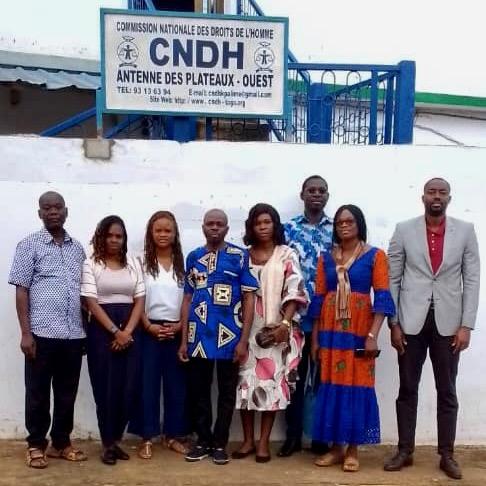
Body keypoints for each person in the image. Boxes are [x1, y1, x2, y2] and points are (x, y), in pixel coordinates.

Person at [384, 178, 480, 480]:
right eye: (431, 192)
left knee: (447, 389)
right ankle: (405, 450)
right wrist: (394, 322)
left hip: (449, 324)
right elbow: (392, 278)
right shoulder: (404, 230)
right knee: (407, 388)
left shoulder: (465, 231)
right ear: (423, 196)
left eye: (442, 192)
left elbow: (472, 280)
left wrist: (466, 325)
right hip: (410, 321)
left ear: (449, 198)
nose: (436, 196)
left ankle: (447, 454)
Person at [310, 205, 395, 472]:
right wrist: (315, 340)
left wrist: (372, 335)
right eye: (339, 222)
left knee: (357, 385)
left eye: (349, 221)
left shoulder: (375, 256)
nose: (344, 225)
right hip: (330, 333)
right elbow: (318, 299)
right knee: (332, 385)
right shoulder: (326, 258)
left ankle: (353, 450)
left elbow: (382, 297)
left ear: (359, 224)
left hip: (358, 332)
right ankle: (336, 448)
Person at [8, 191, 87, 469]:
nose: (53, 212)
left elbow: (84, 292)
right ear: (39, 213)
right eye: (47, 208)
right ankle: (35, 445)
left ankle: (61, 443)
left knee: (67, 393)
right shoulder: (28, 245)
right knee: (38, 393)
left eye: (57, 207)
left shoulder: (78, 248)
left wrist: (85, 330)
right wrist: (25, 333)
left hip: (73, 334)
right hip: (41, 334)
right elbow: (22, 290)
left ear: (66, 211)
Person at [178, 209, 258, 465]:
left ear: (227, 228)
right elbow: (187, 298)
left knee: (226, 392)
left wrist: (243, 340)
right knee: (199, 391)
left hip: (230, 337)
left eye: (219, 224)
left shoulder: (239, 256)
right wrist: (183, 340)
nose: (214, 227)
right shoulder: (193, 257)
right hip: (198, 336)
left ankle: (220, 443)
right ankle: (203, 441)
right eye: (210, 223)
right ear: (203, 227)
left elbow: (249, 298)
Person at [234, 204, 308, 463]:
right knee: (244, 385)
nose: (263, 227)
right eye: (258, 223)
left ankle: (264, 442)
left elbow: (295, 290)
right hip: (246, 328)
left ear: (275, 225)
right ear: (251, 227)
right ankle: (247, 441)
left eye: (267, 222)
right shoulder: (242, 257)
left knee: (271, 384)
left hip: (275, 329)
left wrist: (284, 325)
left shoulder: (286, 254)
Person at [81, 215, 145, 465]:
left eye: (119, 236)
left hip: (131, 329)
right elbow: (91, 302)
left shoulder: (133, 263)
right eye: (109, 236)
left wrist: (127, 331)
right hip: (101, 332)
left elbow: (140, 299)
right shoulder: (91, 264)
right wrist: (114, 331)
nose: (114, 240)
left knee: (128, 388)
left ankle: (116, 439)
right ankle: (107, 443)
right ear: (101, 237)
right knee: (105, 389)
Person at [128, 211, 189, 459]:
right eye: (158, 230)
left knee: (177, 386)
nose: (163, 234)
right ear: (150, 233)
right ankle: (147, 436)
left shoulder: (183, 264)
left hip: (177, 330)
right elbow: (136, 297)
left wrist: (180, 326)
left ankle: (173, 435)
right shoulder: (140, 263)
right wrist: (147, 325)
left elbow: (189, 299)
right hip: (148, 330)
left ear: (175, 234)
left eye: (168, 230)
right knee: (147, 385)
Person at [281, 175, 333, 457]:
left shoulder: (338, 229)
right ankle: (292, 436)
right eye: (311, 190)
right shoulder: (287, 229)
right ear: (302, 195)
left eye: (321, 191)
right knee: (294, 378)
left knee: (324, 379)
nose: (316, 194)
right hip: (295, 316)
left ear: (327, 196)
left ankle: (320, 438)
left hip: (329, 318)